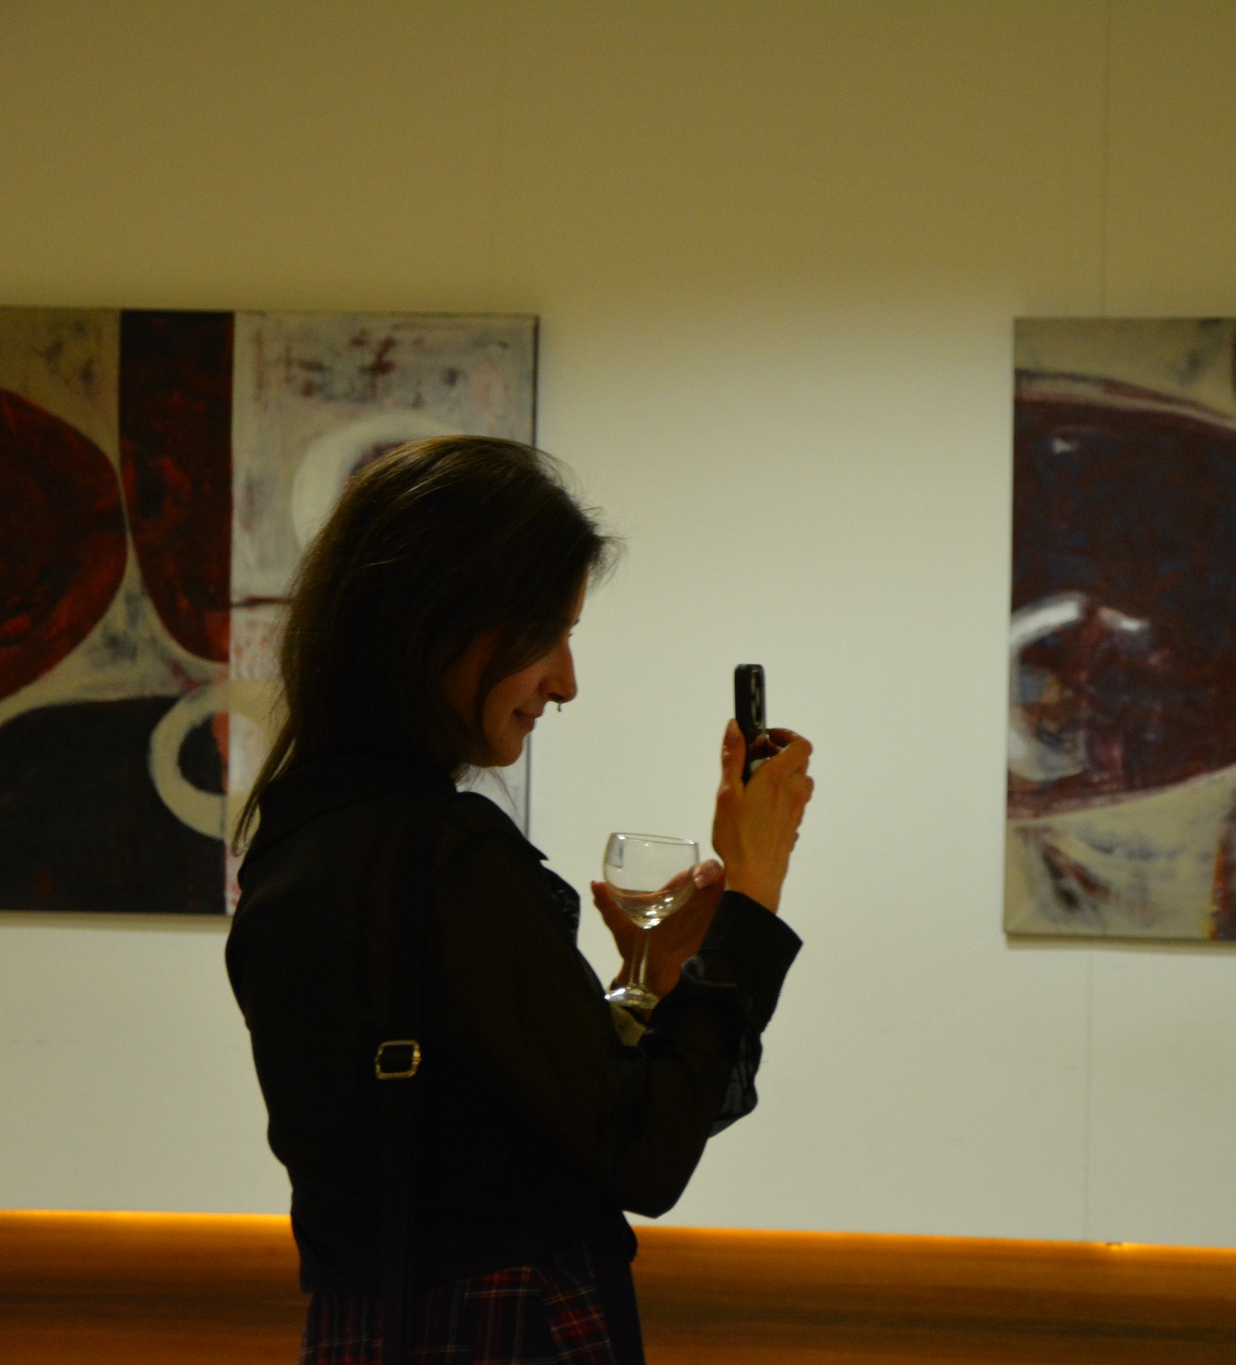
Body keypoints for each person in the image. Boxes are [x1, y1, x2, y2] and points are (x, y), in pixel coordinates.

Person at [225, 436, 813, 1365]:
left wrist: (650, 977)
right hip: (503, 1331)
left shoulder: (298, 840)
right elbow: (643, 1151)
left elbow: (477, 1111)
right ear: (438, 619)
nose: (566, 682)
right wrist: (754, 886)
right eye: (546, 633)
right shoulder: (446, 856)